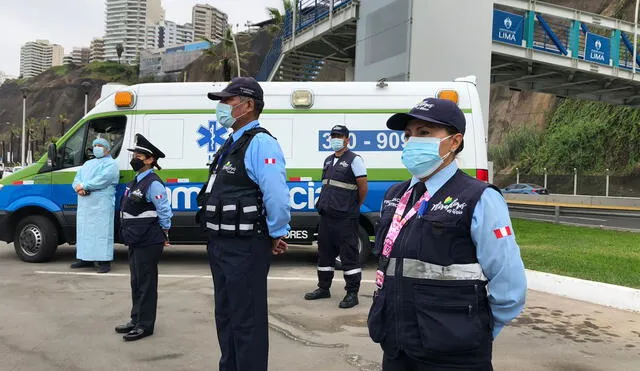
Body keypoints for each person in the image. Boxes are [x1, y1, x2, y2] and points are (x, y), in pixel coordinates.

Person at [367, 98, 527, 370]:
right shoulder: (396, 195)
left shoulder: (480, 197)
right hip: (396, 346)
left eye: (425, 133)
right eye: (409, 135)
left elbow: (509, 282)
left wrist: (477, 330)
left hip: (455, 353)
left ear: (454, 142)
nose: (413, 142)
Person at [199, 76, 291, 371]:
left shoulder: (261, 142)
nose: (222, 107)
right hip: (221, 244)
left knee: (247, 320)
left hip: (246, 247)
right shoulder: (231, 143)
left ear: (248, 105)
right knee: (226, 316)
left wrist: (276, 232)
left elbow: (276, 195)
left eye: (227, 101)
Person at [115, 134, 172, 342]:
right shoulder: (136, 181)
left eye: (139, 155)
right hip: (135, 238)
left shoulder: (153, 183)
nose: (135, 158)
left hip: (149, 239)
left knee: (146, 283)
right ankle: (136, 319)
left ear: (150, 160)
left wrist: (165, 231)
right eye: (135, 155)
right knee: (136, 281)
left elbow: (164, 210)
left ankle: (145, 325)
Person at [304, 124, 368, 308]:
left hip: (345, 217)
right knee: (324, 254)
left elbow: (362, 187)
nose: (335, 138)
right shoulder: (328, 160)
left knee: (349, 255)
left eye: (339, 136)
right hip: (327, 215)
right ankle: (324, 288)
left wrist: (353, 206)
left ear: (347, 139)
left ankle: (352, 293)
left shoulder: (354, 159)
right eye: (333, 135)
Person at [70, 137, 120, 273]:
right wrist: (78, 188)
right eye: (95, 145)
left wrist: (84, 186)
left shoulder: (111, 164)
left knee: (102, 231)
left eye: (100, 145)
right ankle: (85, 258)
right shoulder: (87, 164)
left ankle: (104, 261)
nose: (97, 147)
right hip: (85, 202)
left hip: (102, 202)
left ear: (107, 149)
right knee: (85, 231)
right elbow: (77, 179)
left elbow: (103, 179)